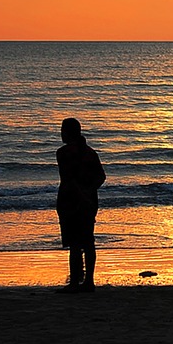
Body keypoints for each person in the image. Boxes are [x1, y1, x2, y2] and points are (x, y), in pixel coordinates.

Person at [56, 117, 106, 293]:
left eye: (62, 130)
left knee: (75, 242)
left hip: (70, 201)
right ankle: (88, 281)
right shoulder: (91, 153)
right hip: (89, 201)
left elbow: (68, 179)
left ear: (69, 132)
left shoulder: (63, 153)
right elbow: (101, 176)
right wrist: (88, 192)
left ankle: (76, 282)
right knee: (87, 240)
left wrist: (81, 195)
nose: (60, 133)